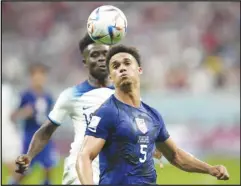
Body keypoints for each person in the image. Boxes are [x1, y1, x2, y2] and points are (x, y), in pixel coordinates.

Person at [14, 34, 163, 185]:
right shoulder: (71, 95)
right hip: (78, 173)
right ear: (85, 62)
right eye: (94, 55)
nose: (100, 58)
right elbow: (46, 130)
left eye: (105, 54)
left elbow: (137, 128)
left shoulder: (125, 94)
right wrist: (29, 155)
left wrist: (151, 145)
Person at [76, 45, 230, 185]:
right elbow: (84, 156)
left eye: (127, 63)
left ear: (139, 70)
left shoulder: (152, 115)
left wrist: (210, 169)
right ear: (111, 77)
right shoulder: (107, 112)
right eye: (115, 66)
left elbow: (176, 155)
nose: (122, 68)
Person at [11, 63, 58, 185]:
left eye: (42, 76)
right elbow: (13, 115)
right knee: (25, 170)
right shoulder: (25, 95)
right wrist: (24, 112)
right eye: (36, 76)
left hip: (44, 138)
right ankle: (12, 182)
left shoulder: (48, 96)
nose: (39, 79)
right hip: (30, 137)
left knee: (48, 167)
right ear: (31, 77)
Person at [2, 82, 22, 183]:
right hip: (6, 133)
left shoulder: (7, 89)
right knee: (17, 170)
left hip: (10, 132)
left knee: (21, 170)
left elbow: (14, 111)